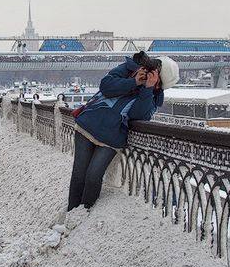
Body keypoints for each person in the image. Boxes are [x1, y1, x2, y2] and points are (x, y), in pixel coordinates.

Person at [67, 51, 178, 211]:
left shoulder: (153, 97)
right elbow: (106, 86)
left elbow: (138, 115)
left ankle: (83, 215)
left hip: (111, 139)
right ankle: (71, 213)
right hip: (88, 126)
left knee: (93, 176)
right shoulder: (128, 68)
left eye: (156, 77)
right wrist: (133, 82)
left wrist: (147, 89)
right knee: (79, 174)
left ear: (160, 84)